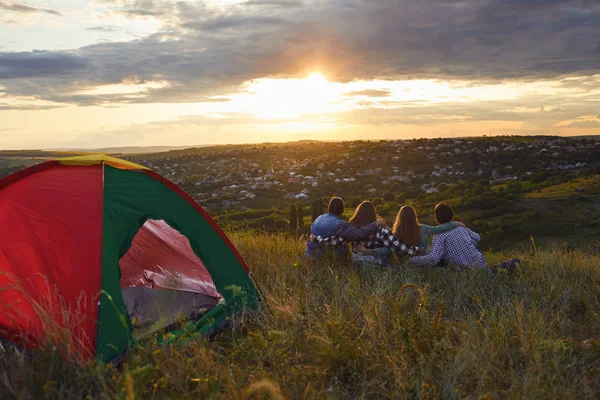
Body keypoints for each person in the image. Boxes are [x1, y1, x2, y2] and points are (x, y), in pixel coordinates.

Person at [315, 201, 421, 265]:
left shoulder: (352, 229)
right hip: (379, 266)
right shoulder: (381, 230)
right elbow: (397, 246)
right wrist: (415, 250)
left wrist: (317, 238)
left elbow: (335, 241)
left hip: (357, 264)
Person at [409, 202, 488, 269]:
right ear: (451, 215)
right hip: (482, 265)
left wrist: (411, 260)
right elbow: (477, 238)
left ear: (437, 218)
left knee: (440, 261)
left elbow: (433, 259)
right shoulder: (460, 227)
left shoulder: (439, 235)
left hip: (467, 271)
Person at [305, 197, 386, 259]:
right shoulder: (341, 224)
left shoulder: (319, 218)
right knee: (344, 243)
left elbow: (312, 231)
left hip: (310, 254)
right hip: (329, 258)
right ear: (342, 210)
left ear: (329, 208)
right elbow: (359, 234)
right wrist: (376, 223)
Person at [391, 205, 463, 253]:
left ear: (399, 218)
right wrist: (455, 223)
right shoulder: (422, 228)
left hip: (407, 265)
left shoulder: (395, 233)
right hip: (425, 262)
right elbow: (439, 229)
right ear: (414, 216)